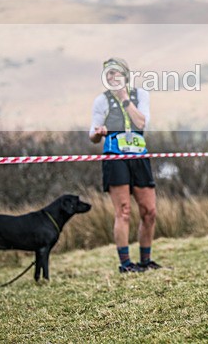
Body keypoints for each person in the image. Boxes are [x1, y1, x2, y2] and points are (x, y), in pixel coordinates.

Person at [90, 57, 161, 273]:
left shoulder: (141, 96)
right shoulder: (101, 101)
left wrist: (124, 99)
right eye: (108, 74)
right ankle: (126, 264)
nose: (112, 77)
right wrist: (98, 133)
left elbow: (141, 123)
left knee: (149, 211)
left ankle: (146, 261)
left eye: (116, 73)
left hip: (139, 156)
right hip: (115, 156)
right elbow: (92, 134)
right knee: (124, 212)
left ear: (126, 75)